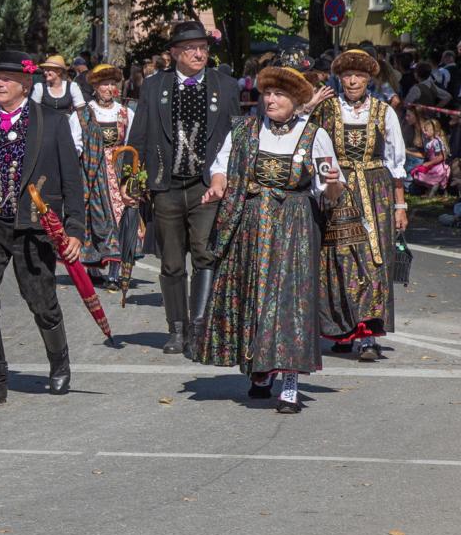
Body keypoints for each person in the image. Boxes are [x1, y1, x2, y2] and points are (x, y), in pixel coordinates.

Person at [189, 66, 340, 412]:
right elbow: (221, 166)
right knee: (255, 294)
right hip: (253, 223)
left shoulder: (314, 135)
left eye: (279, 95)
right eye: (267, 93)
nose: (270, 100)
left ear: (297, 100)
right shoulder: (245, 130)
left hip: (296, 225)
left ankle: (290, 381)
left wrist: (332, 181)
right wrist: (217, 185)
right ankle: (260, 368)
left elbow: (330, 192)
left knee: (290, 301)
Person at [0, 51, 86, 406]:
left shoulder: (52, 122)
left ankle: (59, 362)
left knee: (41, 299)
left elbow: (72, 180)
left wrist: (75, 229)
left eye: (7, 78)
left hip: (33, 227)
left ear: (26, 83)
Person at [127, 21, 241, 354]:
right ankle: (177, 329)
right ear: (175, 53)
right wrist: (130, 180)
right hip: (167, 184)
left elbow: (238, 137)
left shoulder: (225, 86)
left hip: (207, 184)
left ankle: (200, 328)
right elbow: (138, 135)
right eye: (191, 48)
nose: (199, 53)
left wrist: (232, 179)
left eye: (203, 48)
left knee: (205, 253)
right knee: (172, 260)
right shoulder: (154, 86)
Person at [307, 50, 407, 360]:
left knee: (372, 259)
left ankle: (367, 335)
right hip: (337, 188)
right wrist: (308, 106)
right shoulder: (325, 109)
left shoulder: (383, 111)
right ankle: (343, 328)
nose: (352, 81)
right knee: (339, 258)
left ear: (368, 79)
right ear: (339, 78)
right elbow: (304, 139)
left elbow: (395, 160)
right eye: (347, 75)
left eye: (359, 76)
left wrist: (400, 206)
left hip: (376, 192)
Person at [70, 64, 139, 288]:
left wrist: (131, 175)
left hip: (119, 172)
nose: (109, 88)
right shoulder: (84, 113)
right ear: (95, 86)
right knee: (96, 219)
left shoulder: (125, 112)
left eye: (112, 84)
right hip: (93, 171)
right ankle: (93, 267)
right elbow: (75, 144)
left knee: (119, 218)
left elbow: (132, 143)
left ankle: (114, 273)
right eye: (104, 84)